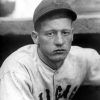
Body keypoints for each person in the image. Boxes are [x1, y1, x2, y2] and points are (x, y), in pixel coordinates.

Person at [0, 0, 100, 100]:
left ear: (72, 35)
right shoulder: (16, 69)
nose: (60, 41)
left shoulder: (83, 59)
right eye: (50, 34)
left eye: (65, 33)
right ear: (36, 37)